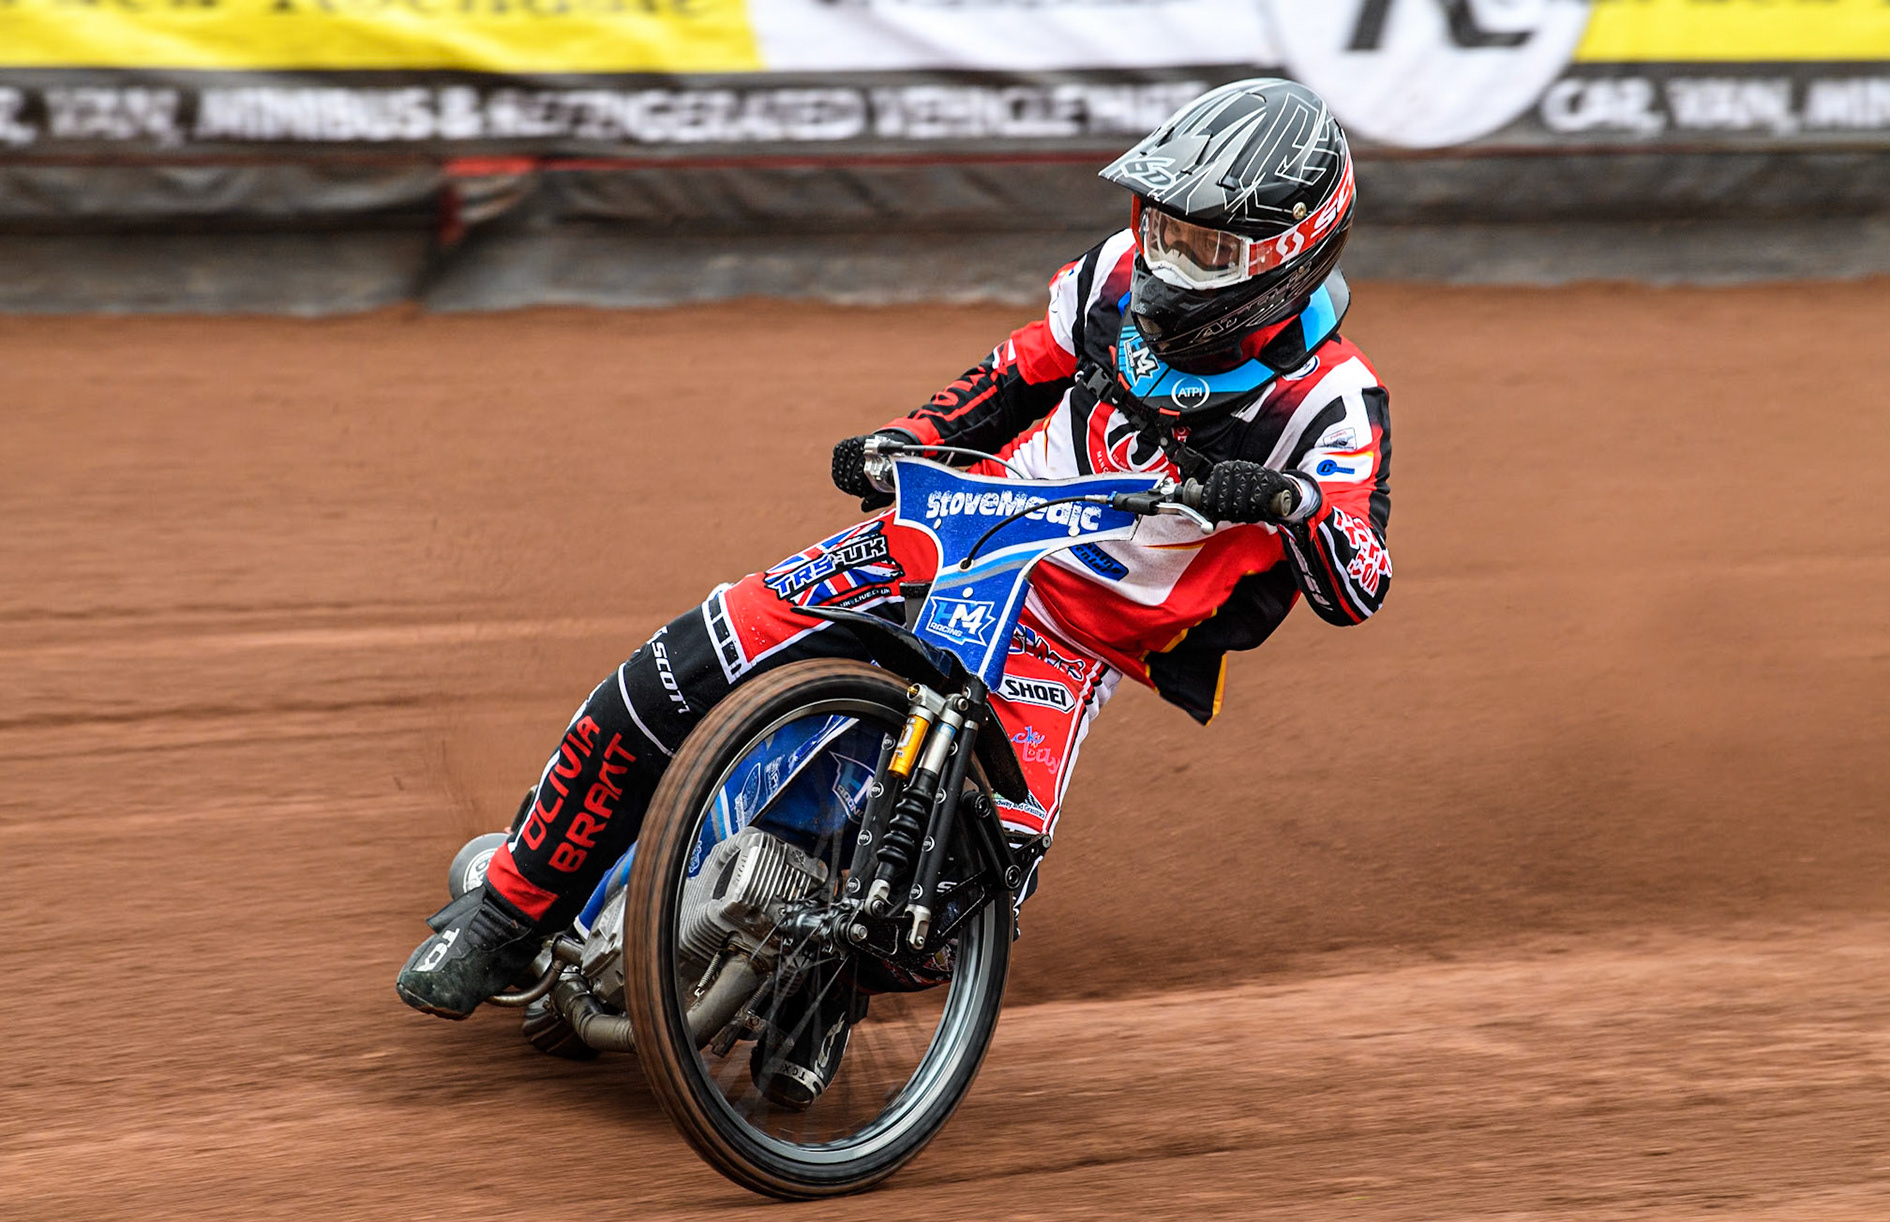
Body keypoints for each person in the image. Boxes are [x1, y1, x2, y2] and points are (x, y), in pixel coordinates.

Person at [396, 79, 1394, 1095]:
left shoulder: (1334, 400)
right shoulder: (1112, 277)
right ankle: (506, 914)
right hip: (956, 531)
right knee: (677, 667)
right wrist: (910, 438)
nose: (1169, 260)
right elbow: (1011, 374)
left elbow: (1361, 580)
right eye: (1162, 227)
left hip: (1074, 632)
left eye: (1209, 248)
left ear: (1289, 256)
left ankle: (824, 988)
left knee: (970, 880)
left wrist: (1293, 501)